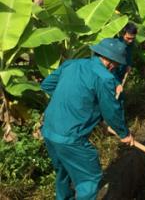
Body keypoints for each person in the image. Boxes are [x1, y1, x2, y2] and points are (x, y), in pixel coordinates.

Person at [41, 38, 134, 200]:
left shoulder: (72, 64)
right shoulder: (105, 78)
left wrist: (71, 104)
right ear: (112, 63)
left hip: (49, 130)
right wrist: (124, 133)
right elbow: (111, 110)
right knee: (89, 177)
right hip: (71, 138)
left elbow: (47, 85)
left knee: (63, 172)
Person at [114, 22, 137, 95]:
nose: (131, 41)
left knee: (120, 96)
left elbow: (129, 54)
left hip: (122, 72)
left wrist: (129, 64)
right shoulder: (115, 46)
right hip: (113, 76)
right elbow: (110, 69)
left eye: (133, 38)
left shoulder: (130, 43)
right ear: (122, 34)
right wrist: (117, 83)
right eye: (128, 38)